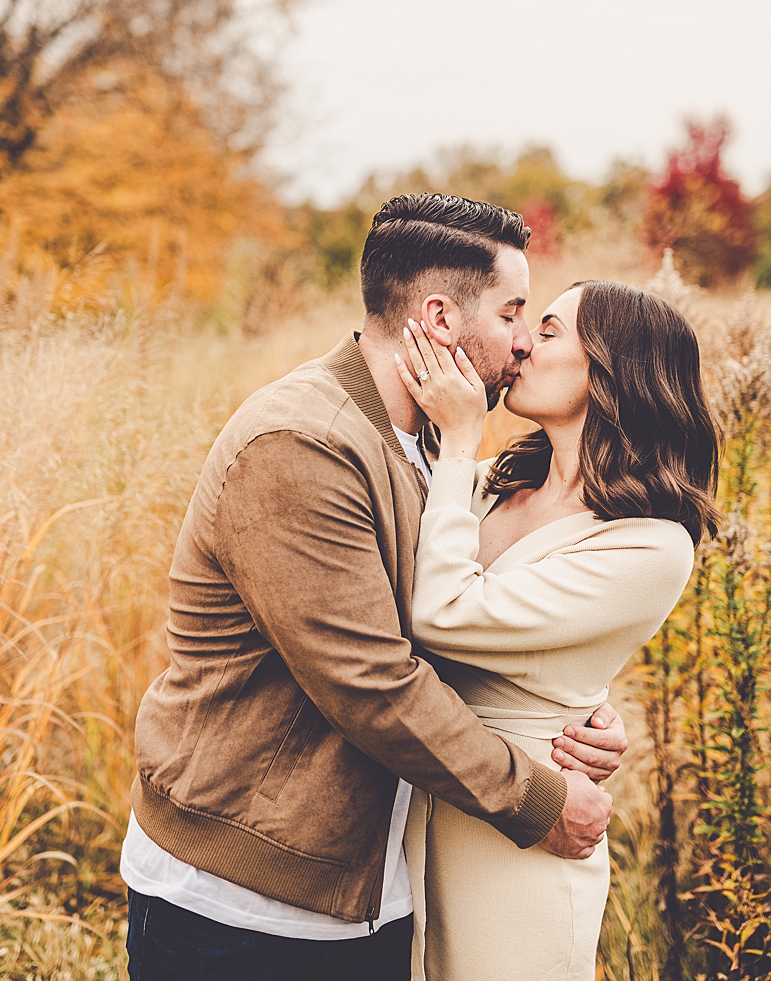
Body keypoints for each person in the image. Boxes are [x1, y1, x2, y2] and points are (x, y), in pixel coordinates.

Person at [121, 194, 630, 981]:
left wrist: (572, 710)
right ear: (440, 317)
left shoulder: (438, 445)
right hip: (246, 901)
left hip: (370, 892)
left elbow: (471, 618)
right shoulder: (303, 442)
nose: (525, 340)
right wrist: (538, 798)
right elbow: (372, 682)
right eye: (513, 311)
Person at [395, 281, 715, 979]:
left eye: (546, 330)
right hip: (423, 803)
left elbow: (442, 611)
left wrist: (455, 439)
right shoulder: (491, 481)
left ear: (609, 367)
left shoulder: (651, 544)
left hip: (523, 843)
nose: (520, 344)